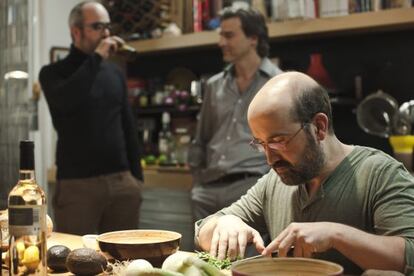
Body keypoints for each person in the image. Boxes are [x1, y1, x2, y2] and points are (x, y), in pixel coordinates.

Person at [195, 72, 414, 274]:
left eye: (278, 142)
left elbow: (409, 252)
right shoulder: (276, 182)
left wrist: (335, 235)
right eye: (261, 144)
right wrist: (225, 223)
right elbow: (203, 230)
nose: (270, 159)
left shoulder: (380, 173)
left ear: (319, 127)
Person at [39, 1, 143, 235]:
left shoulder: (114, 73)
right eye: (97, 26)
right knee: (74, 261)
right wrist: (95, 58)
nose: (106, 33)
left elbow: (128, 126)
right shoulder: (53, 73)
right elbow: (67, 100)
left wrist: (136, 179)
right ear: (76, 31)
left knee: (125, 261)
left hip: (122, 183)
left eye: (107, 26)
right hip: (77, 186)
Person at [188, 7, 282, 223]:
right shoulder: (214, 85)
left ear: (253, 38)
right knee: (202, 257)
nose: (221, 42)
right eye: (221, 35)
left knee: (248, 257)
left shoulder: (278, 83)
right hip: (206, 192)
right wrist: (196, 186)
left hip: (252, 188)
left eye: (228, 35)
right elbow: (200, 140)